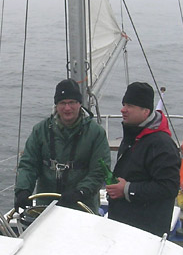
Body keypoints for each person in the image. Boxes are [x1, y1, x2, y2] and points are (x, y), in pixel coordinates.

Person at [14, 79, 111, 212]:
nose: (67, 108)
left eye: (72, 102)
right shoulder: (40, 130)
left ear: (79, 104)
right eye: (62, 103)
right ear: (56, 105)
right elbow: (28, 164)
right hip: (46, 207)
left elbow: (99, 171)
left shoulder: (96, 133)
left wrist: (80, 192)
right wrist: (23, 190)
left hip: (82, 206)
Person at [106, 81, 181, 236]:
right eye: (124, 104)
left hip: (145, 232)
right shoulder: (133, 134)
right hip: (123, 225)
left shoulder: (162, 145)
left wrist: (127, 189)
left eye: (130, 106)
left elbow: (169, 187)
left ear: (146, 111)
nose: (123, 109)